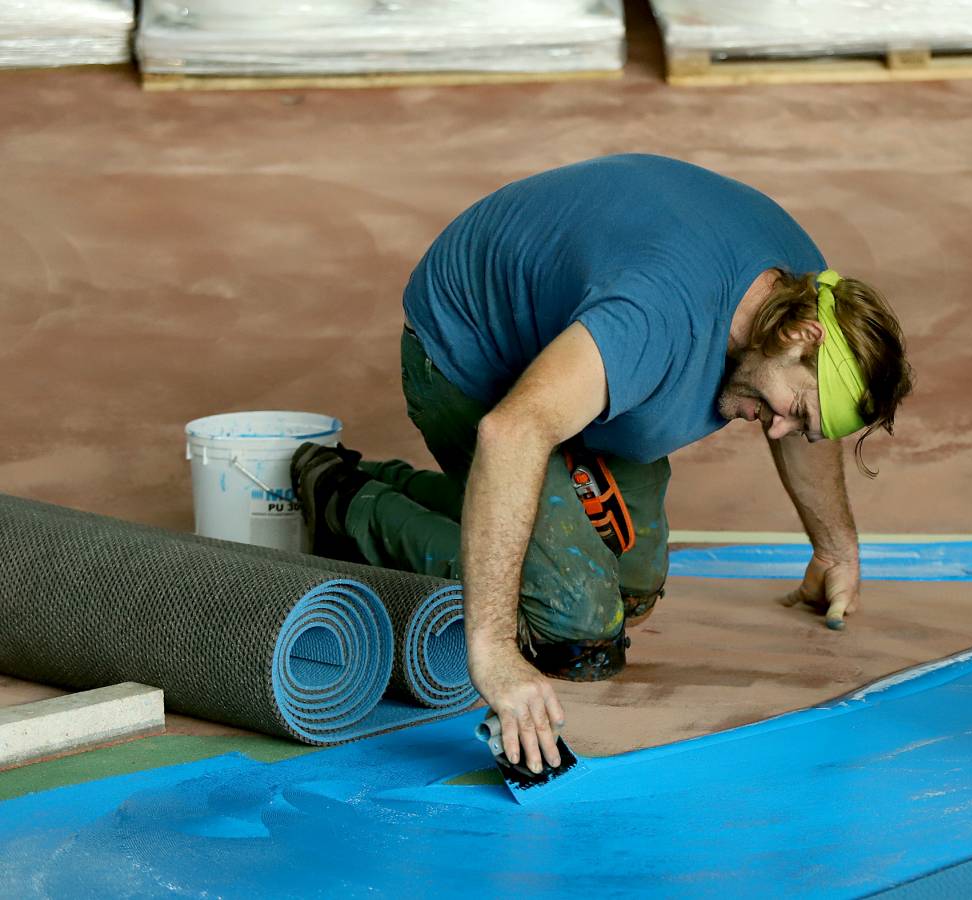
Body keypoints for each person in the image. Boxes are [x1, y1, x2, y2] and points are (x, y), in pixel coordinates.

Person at [290, 154, 913, 775]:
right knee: (575, 630)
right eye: (794, 410)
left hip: (581, 366)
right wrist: (494, 650)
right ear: (800, 336)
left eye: (804, 424)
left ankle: (406, 489)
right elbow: (512, 431)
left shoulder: (807, 300)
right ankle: (347, 498)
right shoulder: (656, 316)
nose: (780, 430)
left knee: (632, 593)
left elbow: (805, 417)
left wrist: (834, 548)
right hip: (473, 354)